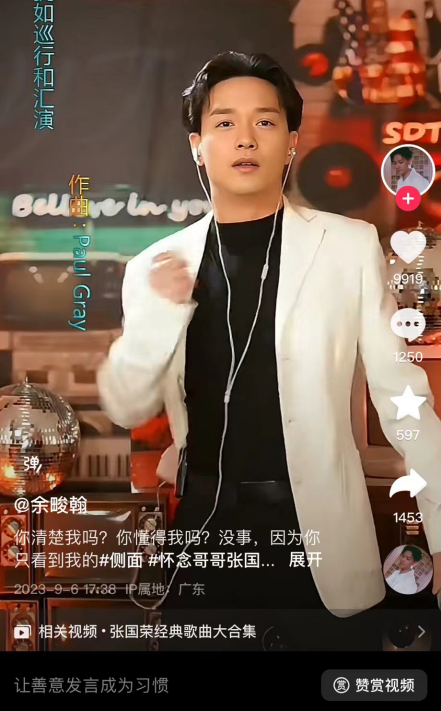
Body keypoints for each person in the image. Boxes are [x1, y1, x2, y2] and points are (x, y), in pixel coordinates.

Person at [97, 52, 441, 650]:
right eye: (224, 122)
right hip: (205, 541)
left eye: (265, 120)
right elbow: (126, 407)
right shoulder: (156, 265)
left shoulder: (347, 247)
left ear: (291, 142)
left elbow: (403, 402)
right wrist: (158, 316)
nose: (246, 138)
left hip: (320, 549)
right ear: (197, 146)